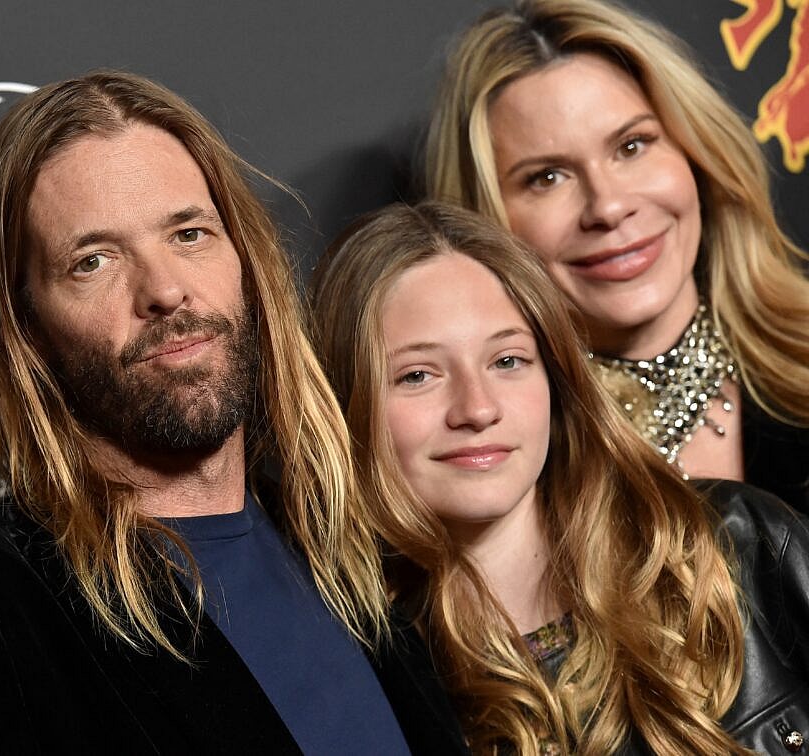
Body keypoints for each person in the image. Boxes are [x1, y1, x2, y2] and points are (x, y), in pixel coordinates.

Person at [0, 71, 468, 756]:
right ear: (28, 326)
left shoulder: (350, 553)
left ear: (246, 259)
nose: (164, 290)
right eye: (93, 261)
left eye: (189, 234)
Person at [310, 200, 809, 754]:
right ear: (343, 406)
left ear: (556, 378)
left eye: (507, 361)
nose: (477, 409)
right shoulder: (362, 682)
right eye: (417, 375)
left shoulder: (741, 545)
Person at [425, 0, 809, 512]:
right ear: (486, 220)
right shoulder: (484, 456)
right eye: (546, 178)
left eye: (631, 146)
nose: (607, 207)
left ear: (697, 155)